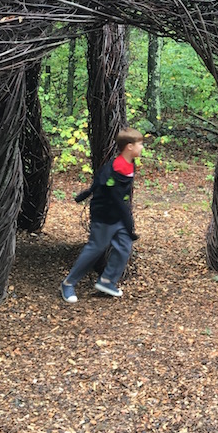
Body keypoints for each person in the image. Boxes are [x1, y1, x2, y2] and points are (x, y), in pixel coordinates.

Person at [60, 127, 143, 303]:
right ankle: (68, 283)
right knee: (95, 248)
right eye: (139, 144)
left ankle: (107, 281)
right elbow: (113, 194)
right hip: (104, 215)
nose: (142, 147)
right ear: (129, 146)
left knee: (124, 245)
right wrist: (129, 223)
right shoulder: (117, 167)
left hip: (117, 214)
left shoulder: (129, 164)